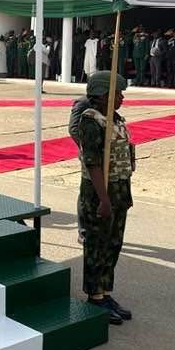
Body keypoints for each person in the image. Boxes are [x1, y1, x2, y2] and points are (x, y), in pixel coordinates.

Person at [75, 70, 134, 326]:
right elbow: (93, 163)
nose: (121, 98)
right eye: (116, 93)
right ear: (101, 95)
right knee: (97, 245)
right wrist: (104, 199)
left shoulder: (115, 118)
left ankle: (106, 292)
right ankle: (95, 296)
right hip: (100, 193)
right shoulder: (91, 121)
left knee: (113, 244)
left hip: (120, 190)